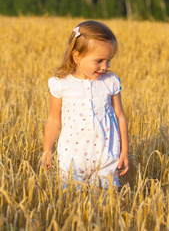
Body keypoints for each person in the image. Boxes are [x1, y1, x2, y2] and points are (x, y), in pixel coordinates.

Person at [41, 20, 129, 187]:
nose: (105, 66)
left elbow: (119, 115)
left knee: (106, 203)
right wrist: (47, 150)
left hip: (107, 155)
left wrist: (124, 150)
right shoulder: (61, 84)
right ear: (77, 56)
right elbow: (53, 118)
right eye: (99, 61)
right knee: (71, 202)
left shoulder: (110, 82)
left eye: (109, 60)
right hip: (72, 156)